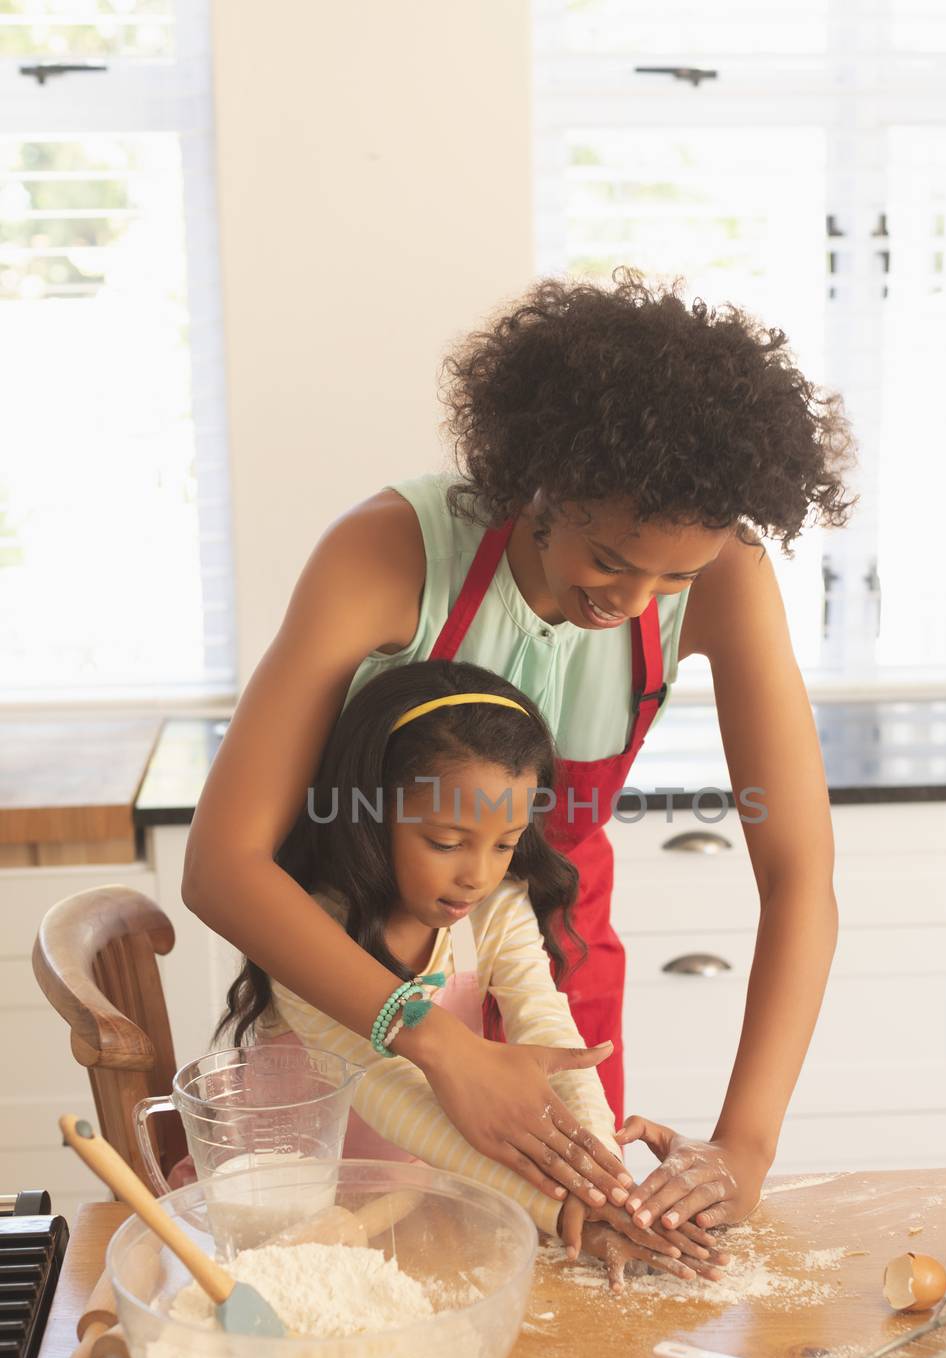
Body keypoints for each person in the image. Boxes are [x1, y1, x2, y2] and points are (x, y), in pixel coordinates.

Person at [183, 269, 848, 1239]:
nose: (631, 600)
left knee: (575, 1293)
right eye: (609, 559)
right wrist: (435, 1042)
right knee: (376, 1272)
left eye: (675, 575)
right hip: (364, 995)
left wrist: (743, 1145)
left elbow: (798, 874)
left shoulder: (725, 581)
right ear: (542, 475)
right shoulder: (387, 555)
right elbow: (223, 866)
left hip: (559, 989)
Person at [214, 658, 730, 1289]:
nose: (478, 876)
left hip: (425, 1208)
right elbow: (395, 1098)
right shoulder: (305, 935)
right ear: (370, 817)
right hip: (291, 1221)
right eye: (446, 842)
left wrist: (614, 1190)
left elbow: (549, 1032)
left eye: (505, 842)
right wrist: (565, 1208)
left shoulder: (494, 910)